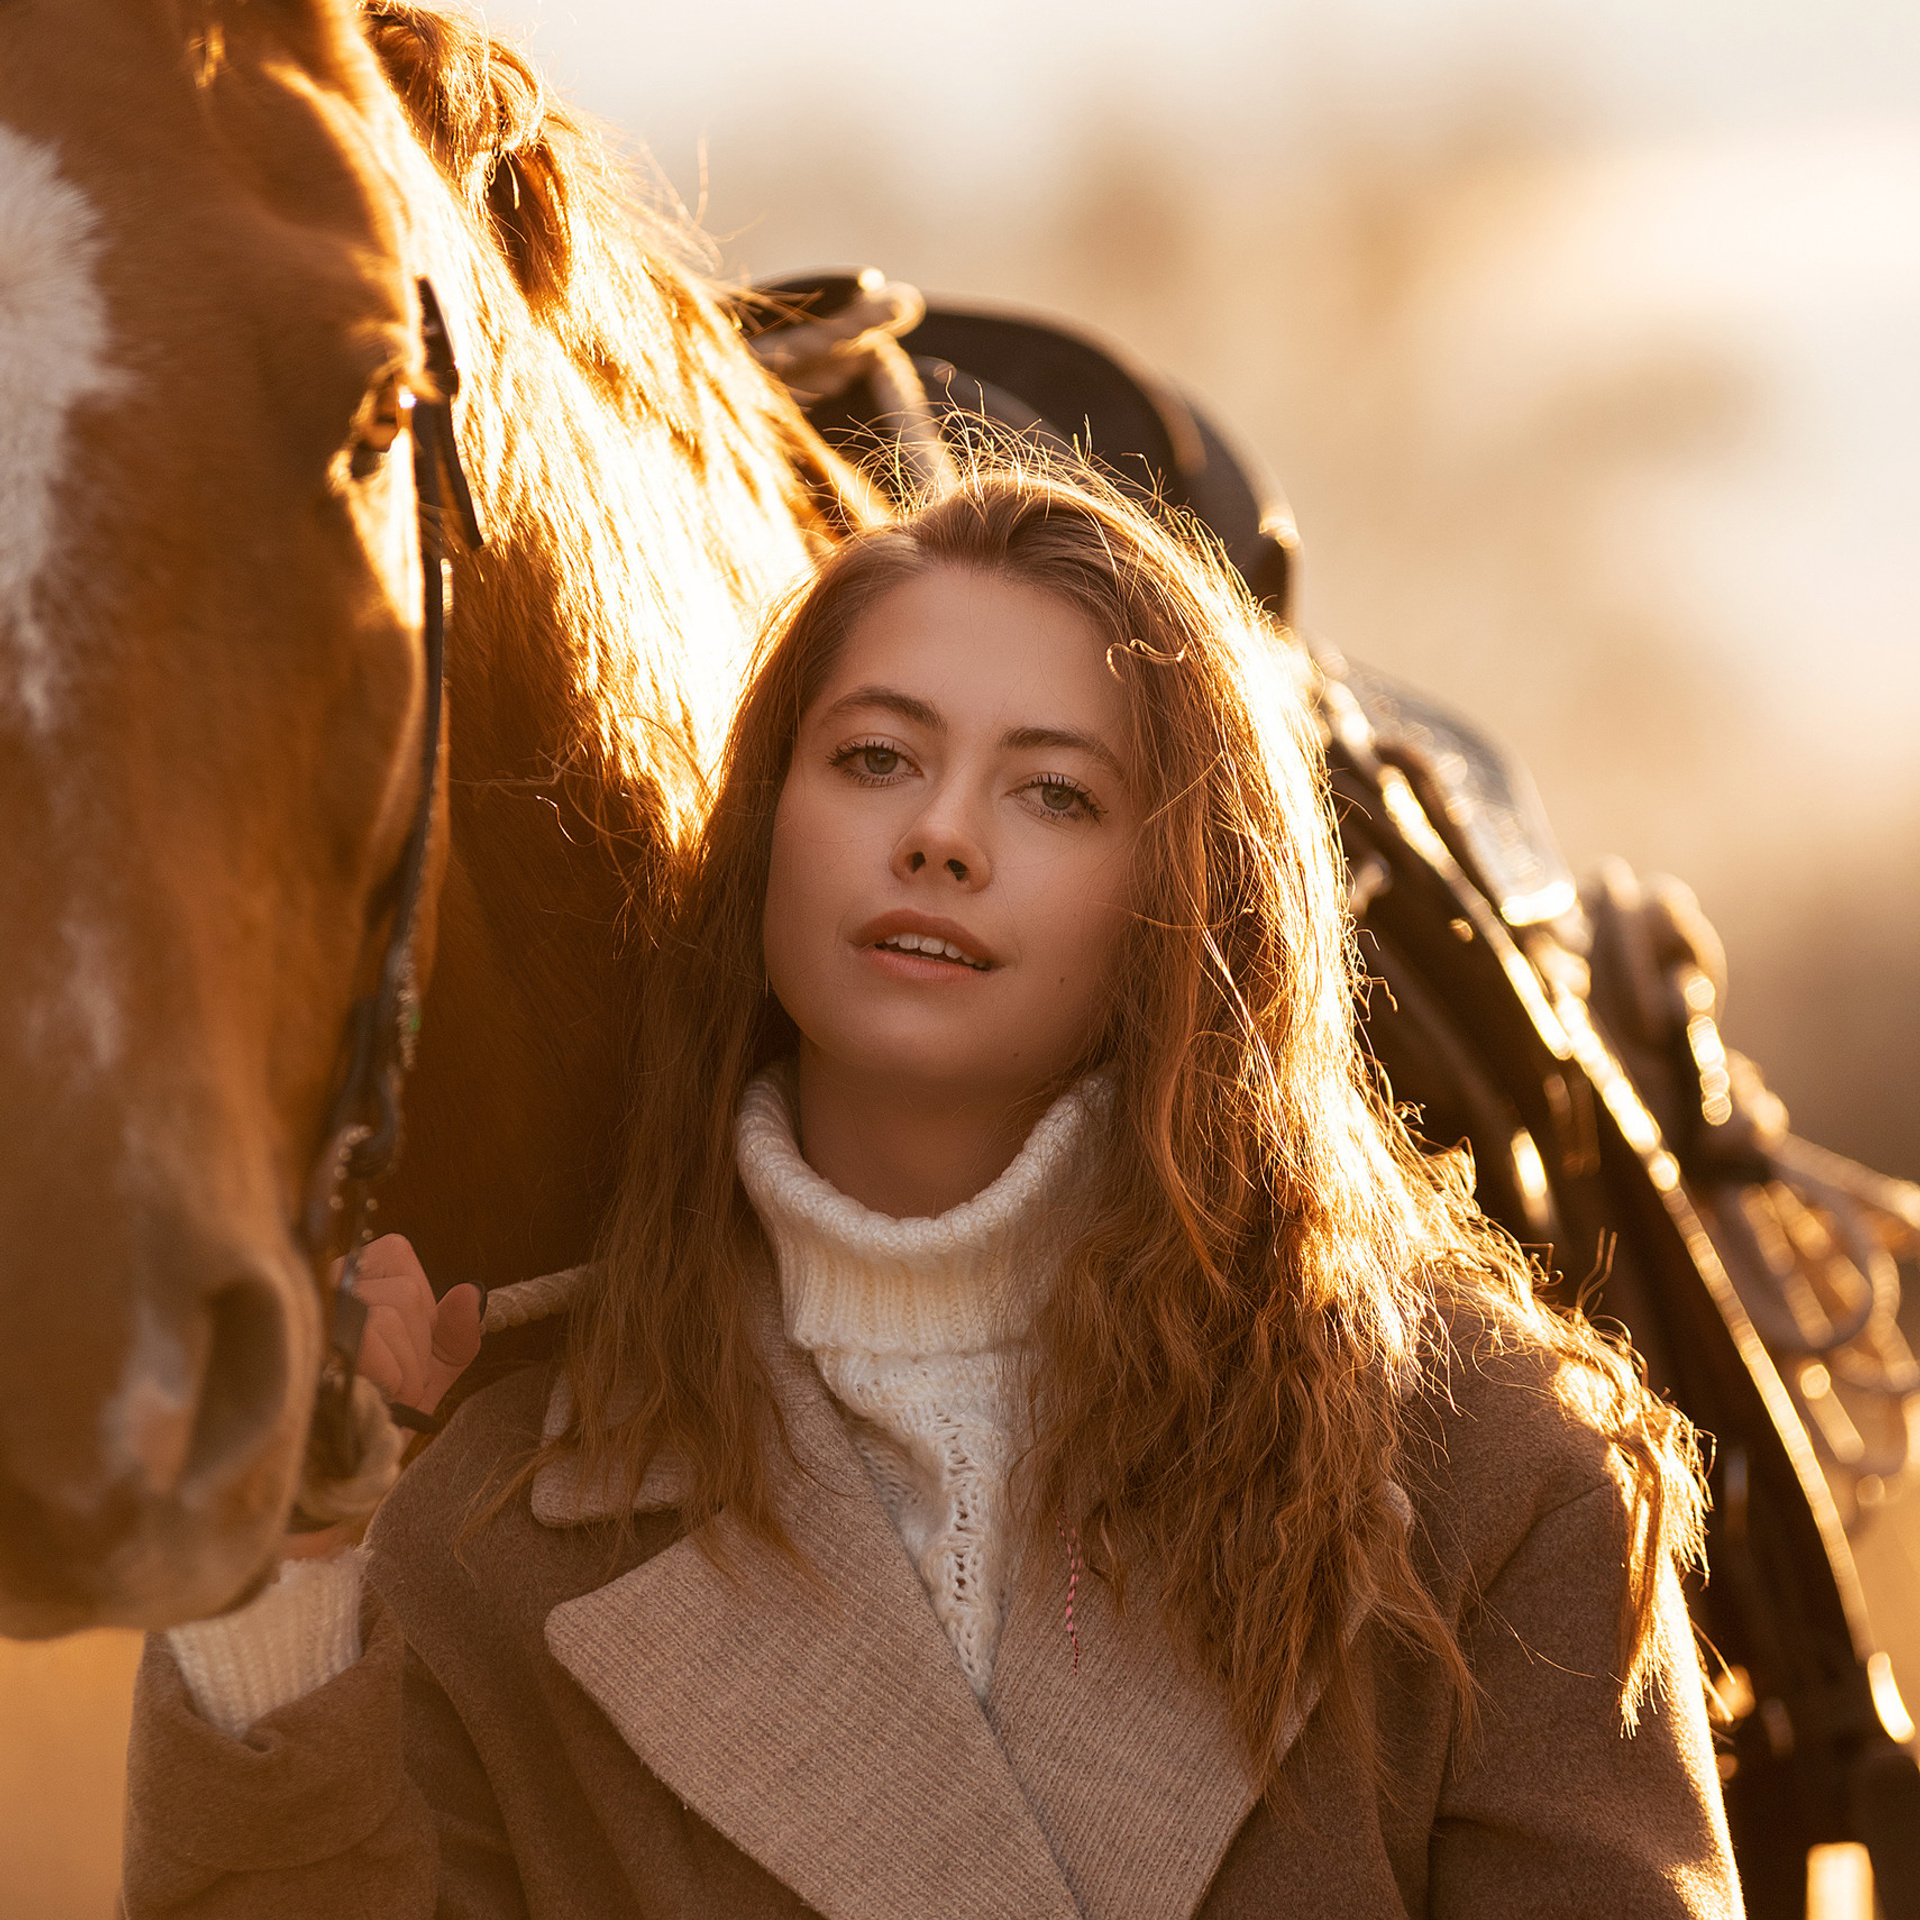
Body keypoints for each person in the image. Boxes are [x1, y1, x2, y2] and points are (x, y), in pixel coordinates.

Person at [123, 463, 1741, 1918]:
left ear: (1186, 902)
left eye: (1054, 792)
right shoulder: (488, 1523)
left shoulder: (1485, 1472)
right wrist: (286, 1578)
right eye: (878, 758)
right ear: (769, 830)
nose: (943, 838)